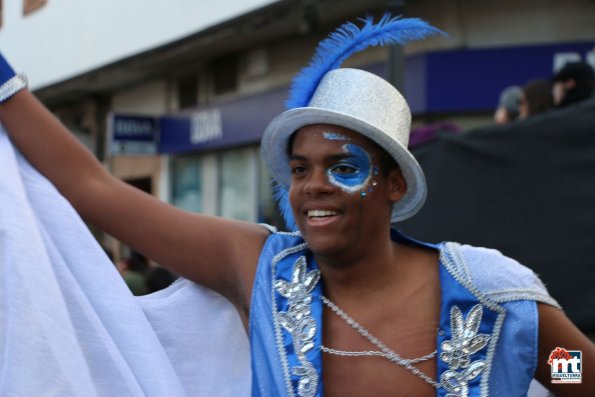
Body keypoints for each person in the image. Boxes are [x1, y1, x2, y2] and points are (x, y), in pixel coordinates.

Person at [0, 14, 593, 397]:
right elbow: (97, 190)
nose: (313, 186)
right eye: (300, 169)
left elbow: (575, 373)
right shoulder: (262, 269)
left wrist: (553, 366)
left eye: (344, 167)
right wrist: (7, 88)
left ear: (392, 183)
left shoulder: (489, 292)